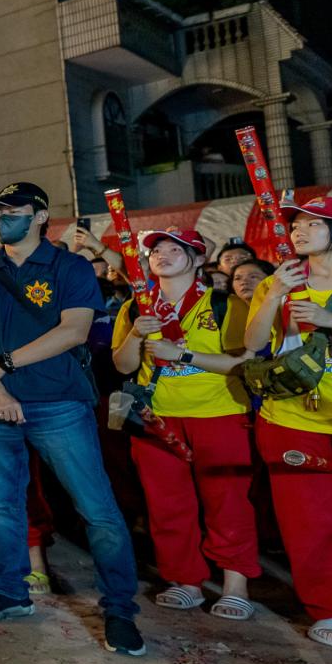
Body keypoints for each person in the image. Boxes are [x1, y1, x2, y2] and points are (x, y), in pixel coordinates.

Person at [0, 181, 145, 655]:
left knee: (96, 508)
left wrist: (4, 365)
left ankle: (120, 609)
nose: (2, 219)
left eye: (14, 211)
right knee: (3, 505)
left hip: (59, 403)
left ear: (40, 216)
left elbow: (74, 331)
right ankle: (12, 592)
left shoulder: (70, 267)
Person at [110, 227, 258, 620]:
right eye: (156, 249)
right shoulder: (134, 308)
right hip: (156, 417)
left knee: (227, 501)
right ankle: (185, 581)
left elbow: (243, 365)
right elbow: (123, 366)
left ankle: (235, 584)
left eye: (175, 249)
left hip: (219, 412)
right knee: (167, 504)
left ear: (196, 259)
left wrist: (184, 354)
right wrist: (134, 338)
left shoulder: (224, 303)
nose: (162, 254)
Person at [244, 195, 332, 648]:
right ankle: (325, 609)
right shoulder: (281, 281)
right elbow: (253, 342)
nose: (298, 230)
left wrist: (326, 318)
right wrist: (274, 293)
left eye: (312, 223)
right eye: (295, 223)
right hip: (294, 418)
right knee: (308, 522)